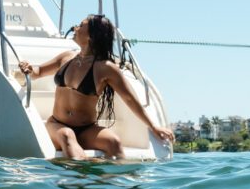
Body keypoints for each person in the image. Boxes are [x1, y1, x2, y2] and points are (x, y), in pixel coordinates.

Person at [19, 15, 175, 160]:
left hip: (87, 129)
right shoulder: (66, 57)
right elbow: (38, 73)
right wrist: (28, 68)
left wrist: (154, 127)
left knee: (114, 142)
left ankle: (112, 186)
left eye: (80, 26)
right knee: (67, 135)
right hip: (57, 125)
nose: (75, 28)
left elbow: (129, 99)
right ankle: (83, 177)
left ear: (91, 36)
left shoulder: (105, 68)